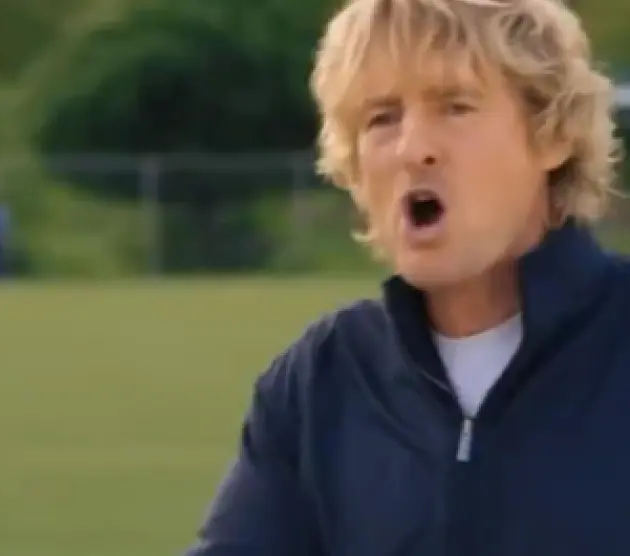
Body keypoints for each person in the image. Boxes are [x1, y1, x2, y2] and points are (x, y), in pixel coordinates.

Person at [184, 0, 627, 554]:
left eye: (456, 107)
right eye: (382, 118)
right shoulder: (321, 383)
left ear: (551, 135)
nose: (414, 149)